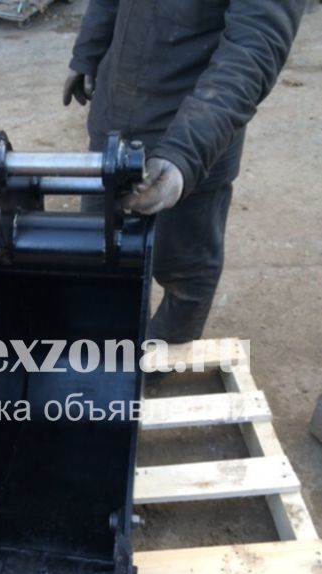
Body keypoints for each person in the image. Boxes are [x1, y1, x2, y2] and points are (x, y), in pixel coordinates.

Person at [64, 0, 306, 343]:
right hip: (116, 119)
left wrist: (184, 154)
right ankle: (109, 351)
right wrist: (88, 50)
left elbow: (254, 48)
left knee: (185, 272)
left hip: (194, 138)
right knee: (99, 255)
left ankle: (166, 351)